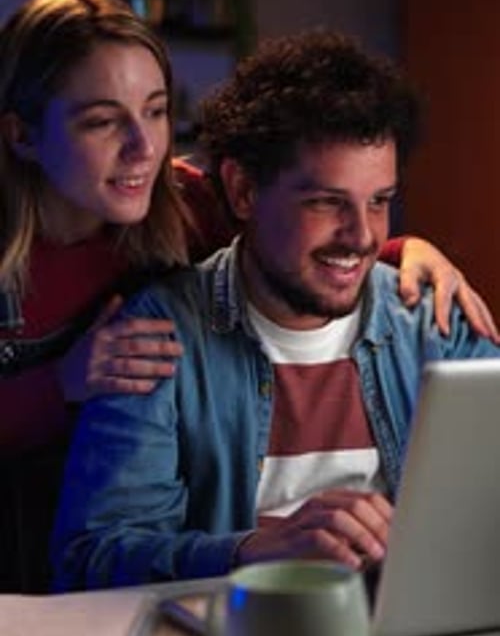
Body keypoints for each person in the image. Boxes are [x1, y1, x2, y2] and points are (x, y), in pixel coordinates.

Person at [51, 29, 500, 592]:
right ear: (241, 191)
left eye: (380, 202)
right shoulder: (154, 336)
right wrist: (258, 550)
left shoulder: (437, 322)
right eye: (326, 202)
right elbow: (93, 557)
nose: (361, 236)